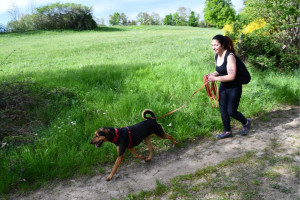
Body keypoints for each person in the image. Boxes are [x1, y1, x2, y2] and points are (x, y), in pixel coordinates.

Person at [207, 34, 251, 139]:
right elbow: (220, 70)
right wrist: (212, 75)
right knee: (223, 110)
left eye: (216, 45)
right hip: (223, 86)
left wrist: (215, 79)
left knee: (231, 111)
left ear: (222, 45)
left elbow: (231, 76)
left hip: (234, 87)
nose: (213, 47)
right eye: (212, 45)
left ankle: (246, 122)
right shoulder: (216, 56)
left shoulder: (230, 56)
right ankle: (227, 131)